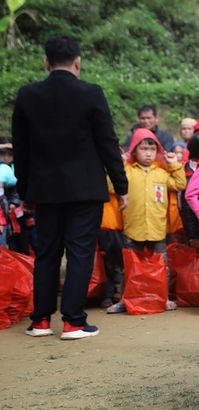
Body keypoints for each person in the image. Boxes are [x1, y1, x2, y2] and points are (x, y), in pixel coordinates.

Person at [12, 35, 128, 339]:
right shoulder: (91, 94)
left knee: (47, 253)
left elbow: (21, 150)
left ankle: (40, 321)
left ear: (46, 62)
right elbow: (108, 143)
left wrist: (26, 193)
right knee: (80, 252)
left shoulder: (28, 96)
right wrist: (121, 185)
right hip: (85, 189)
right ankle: (73, 321)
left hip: (45, 191)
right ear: (78, 62)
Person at [106, 128, 186, 314]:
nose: (148, 153)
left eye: (152, 149)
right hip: (132, 228)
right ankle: (125, 300)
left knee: (161, 266)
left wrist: (174, 165)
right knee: (129, 266)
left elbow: (180, 184)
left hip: (157, 229)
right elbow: (111, 187)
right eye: (143, 149)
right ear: (134, 150)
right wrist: (120, 165)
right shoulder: (127, 172)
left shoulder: (162, 173)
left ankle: (163, 298)